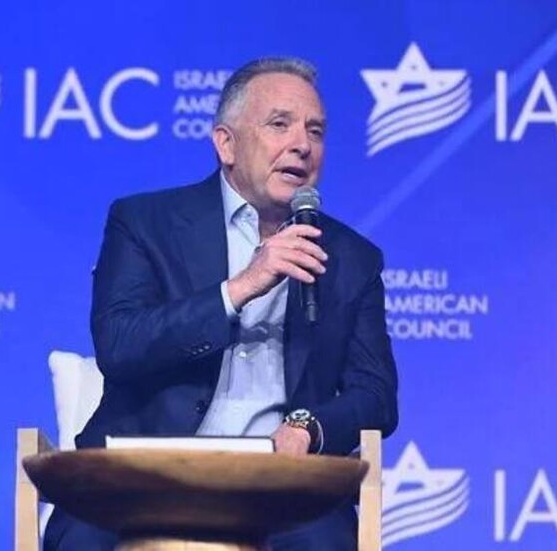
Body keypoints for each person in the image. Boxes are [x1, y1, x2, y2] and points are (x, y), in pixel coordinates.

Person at [44, 57, 399, 550]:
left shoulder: (350, 258)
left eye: (315, 131)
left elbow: (375, 395)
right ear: (226, 144)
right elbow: (119, 344)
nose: (302, 144)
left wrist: (307, 428)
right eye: (280, 124)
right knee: (82, 541)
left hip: (281, 487)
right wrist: (240, 287)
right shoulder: (145, 222)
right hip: (142, 476)